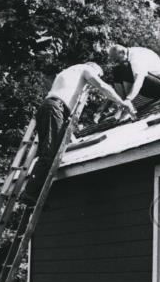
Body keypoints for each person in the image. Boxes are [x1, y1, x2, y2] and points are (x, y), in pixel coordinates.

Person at [19, 61, 131, 206]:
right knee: (50, 152)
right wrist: (122, 102)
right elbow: (102, 86)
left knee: (46, 151)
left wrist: (73, 140)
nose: (89, 85)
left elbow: (65, 122)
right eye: (98, 75)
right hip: (56, 108)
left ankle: (31, 191)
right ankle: (30, 194)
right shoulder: (85, 69)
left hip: (48, 107)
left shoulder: (68, 71)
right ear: (93, 68)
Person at [107, 44, 160, 119]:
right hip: (151, 85)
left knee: (125, 67)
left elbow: (139, 80)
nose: (118, 62)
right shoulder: (129, 55)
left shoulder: (136, 57)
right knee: (116, 70)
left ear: (122, 52)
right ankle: (123, 107)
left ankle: (128, 106)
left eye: (117, 60)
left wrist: (129, 99)